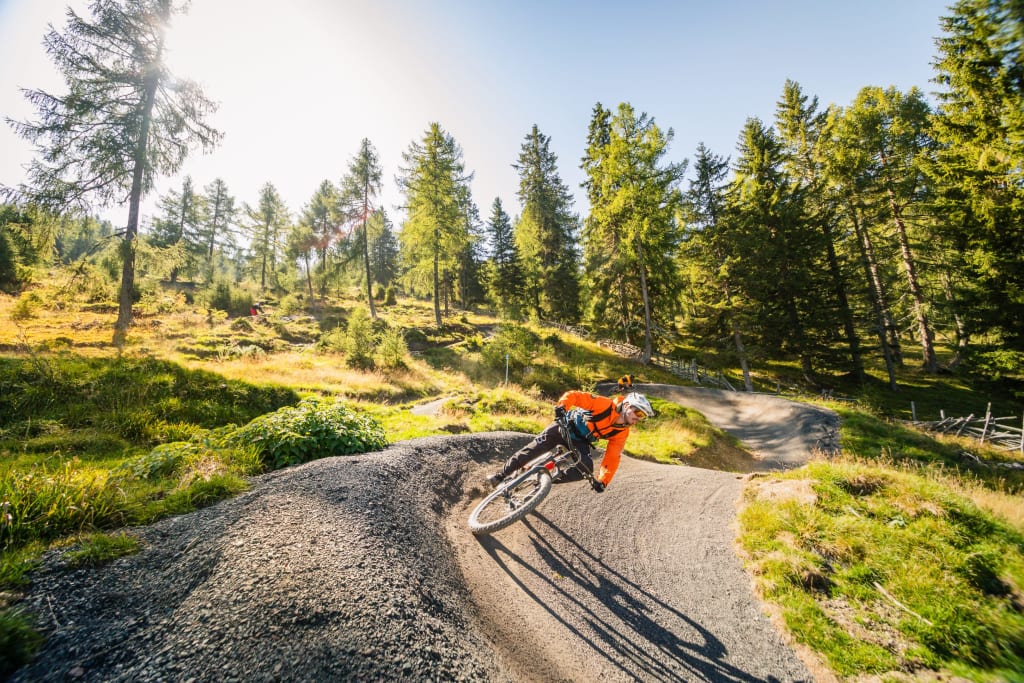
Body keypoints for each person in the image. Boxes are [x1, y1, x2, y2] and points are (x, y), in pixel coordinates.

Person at [487, 390, 655, 492]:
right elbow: (575, 396)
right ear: (626, 405)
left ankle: (544, 480)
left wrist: (603, 481)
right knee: (534, 449)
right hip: (566, 426)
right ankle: (500, 476)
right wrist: (562, 407)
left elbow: (612, 457)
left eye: (642, 416)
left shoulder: (622, 432)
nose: (638, 418)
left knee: (585, 469)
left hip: (580, 441)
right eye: (638, 412)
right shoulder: (604, 405)